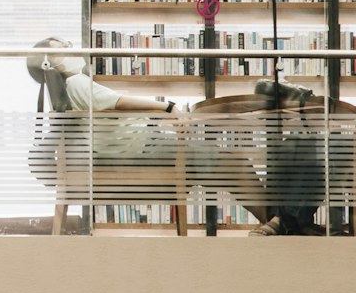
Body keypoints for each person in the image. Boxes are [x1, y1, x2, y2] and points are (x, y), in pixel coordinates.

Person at [27, 37, 271, 229]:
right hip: (143, 148)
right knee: (235, 163)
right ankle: (279, 224)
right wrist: (167, 107)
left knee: (232, 164)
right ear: (47, 64)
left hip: (143, 144)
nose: (70, 48)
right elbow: (119, 102)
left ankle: (278, 223)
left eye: (67, 44)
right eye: (61, 49)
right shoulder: (76, 83)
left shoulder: (69, 87)